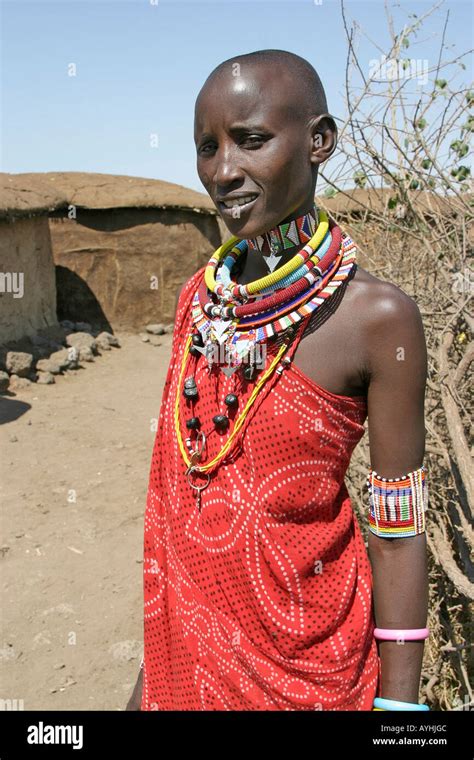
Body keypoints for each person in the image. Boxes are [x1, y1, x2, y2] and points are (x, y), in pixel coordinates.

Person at [126, 49, 429, 712]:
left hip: (309, 677)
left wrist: (401, 713)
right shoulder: (197, 303)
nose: (224, 171)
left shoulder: (379, 320)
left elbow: (399, 533)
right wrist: (152, 674)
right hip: (184, 669)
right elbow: (180, 512)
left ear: (320, 141)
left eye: (251, 140)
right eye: (207, 148)